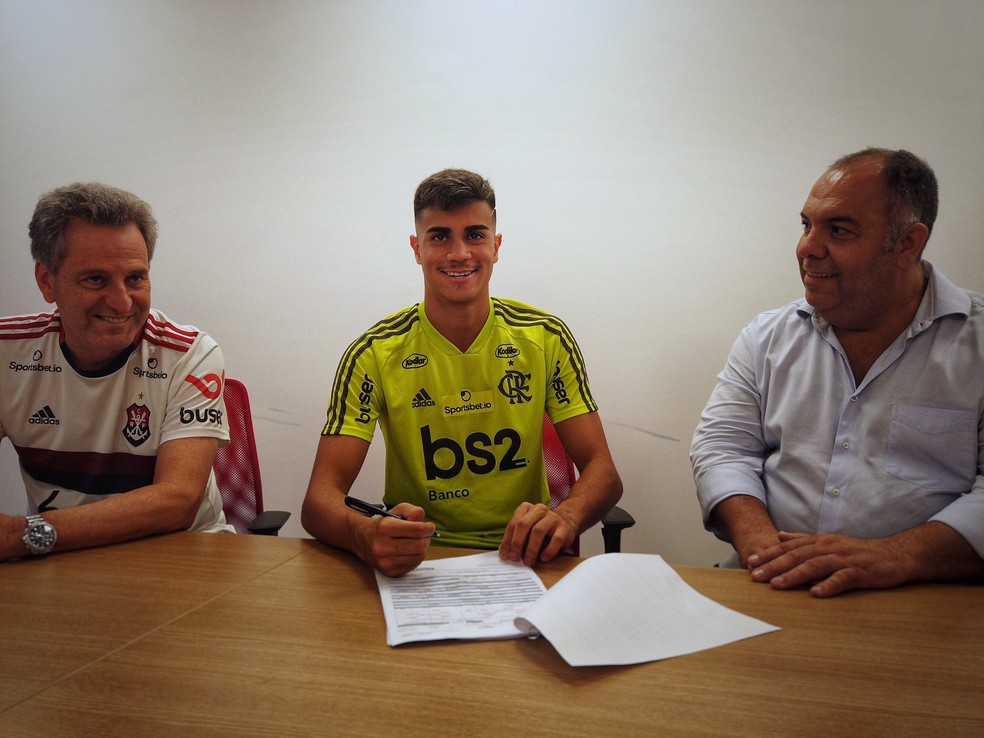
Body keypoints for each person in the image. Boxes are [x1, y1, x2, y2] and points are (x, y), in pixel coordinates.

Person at [691, 148, 984, 597]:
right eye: (807, 224)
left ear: (907, 243)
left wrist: (892, 557)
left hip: (922, 597)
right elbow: (722, 448)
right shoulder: (767, 337)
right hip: (769, 581)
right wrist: (765, 550)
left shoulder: (975, 345)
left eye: (840, 230)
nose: (807, 247)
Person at [302, 168, 622, 576]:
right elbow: (319, 500)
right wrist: (363, 533)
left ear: (496, 245)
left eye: (474, 234)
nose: (459, 253)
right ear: (417, 248)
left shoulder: (546, 337)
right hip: (420, 562)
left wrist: (565, 517)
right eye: (439, 236)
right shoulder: (372, 354)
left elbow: (604, 471)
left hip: (526, 557)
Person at [0, 182, 232, 561]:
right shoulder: (6, 353)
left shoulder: (190, 354)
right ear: (47, 281)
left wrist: (22, 534)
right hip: (61, 557)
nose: (122, 302)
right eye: (96, 279)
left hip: (186, 554)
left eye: (135, 278)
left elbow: (177, 501)